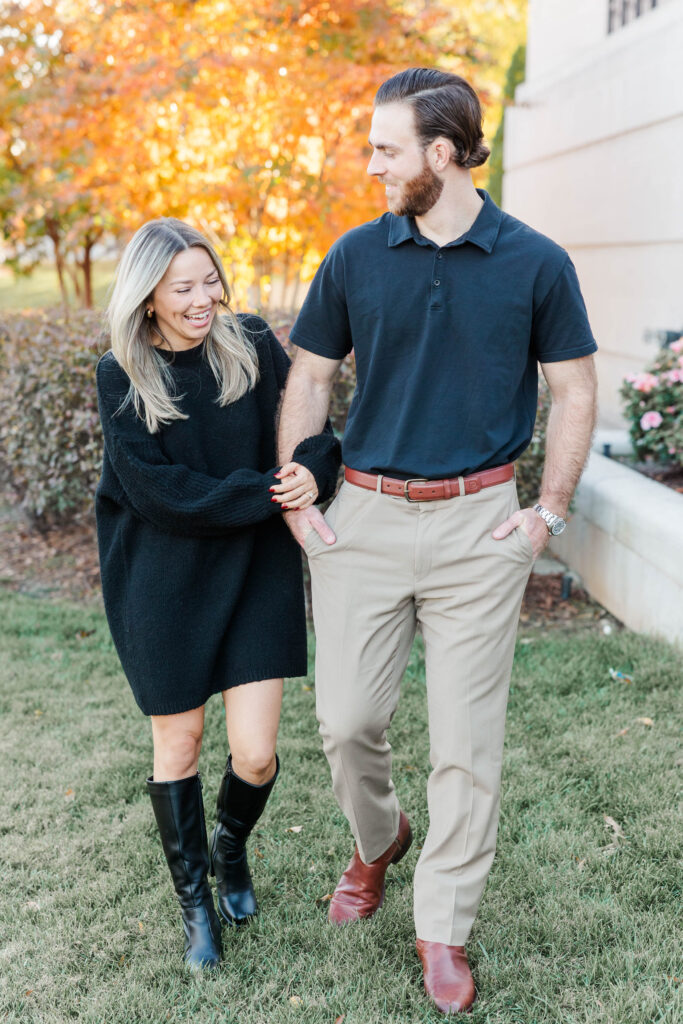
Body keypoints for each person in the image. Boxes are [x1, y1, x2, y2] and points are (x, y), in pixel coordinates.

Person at [277, 68, 598, 1014]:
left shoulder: (534, 261)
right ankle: (377, 841)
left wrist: (547, 510)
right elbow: (308, 378)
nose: (370, 163)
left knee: (466, 743)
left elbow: (573, 389)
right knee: (345, 723)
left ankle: (441, 928)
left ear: (442, 155)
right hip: (363, 518)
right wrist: (299, 497)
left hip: (479, 525)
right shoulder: (354, 254)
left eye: (386, 149)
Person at [95, 218, 340, 971]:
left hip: (254, 570)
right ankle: (195, 901)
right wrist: (266, 493)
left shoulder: (252, 342)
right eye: (183, 288)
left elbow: (314, 431)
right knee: (180, 743)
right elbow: (158, 492)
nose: (204, 299)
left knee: (256, 754)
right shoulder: (121, 372)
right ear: (146, 298)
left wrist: (310, 471)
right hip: (160, 578)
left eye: (210, 281)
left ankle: (230, 850)